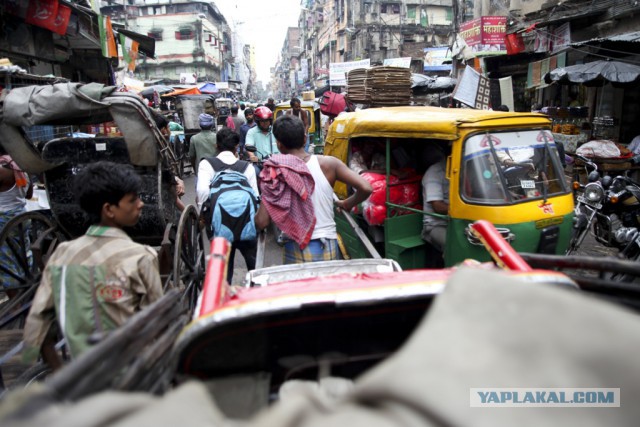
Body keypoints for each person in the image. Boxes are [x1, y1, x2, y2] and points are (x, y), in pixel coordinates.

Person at [22, 161, 163, 362]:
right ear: (109, 210)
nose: (140, 204)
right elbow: (158, 322)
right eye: (132, 200)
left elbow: (37, 323)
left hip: (80, 373)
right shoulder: (140, 257)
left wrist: (60, 374)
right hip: (132, 373)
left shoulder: (63, 253)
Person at [255, 115, 372, 264]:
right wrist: (347, 203)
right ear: (305, 139)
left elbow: (262, 221)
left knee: (300, 288)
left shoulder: (275, 171)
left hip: (294, 243)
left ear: (279, 144)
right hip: (326, 243)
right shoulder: (329, 164)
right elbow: (366, 187)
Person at [196, 128, 259, 284]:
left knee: (224, 273)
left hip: (220, 226)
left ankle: (225, 300)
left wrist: (205, 217)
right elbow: (256, 197)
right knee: (254, 270)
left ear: (216, 146)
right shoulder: (247, 167)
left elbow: (202, 192)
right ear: (236, 147)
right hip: (247, 225)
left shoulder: (206, 164)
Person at [0, 148, 33, 288]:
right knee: (23, 255)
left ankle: (16, 303)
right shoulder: (20, 168)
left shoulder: (2, 170)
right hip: (21, 216)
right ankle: (27, 292)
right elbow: (29, 194)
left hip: (4, 220)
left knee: (6, 263)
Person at [421, 146, 449, 254]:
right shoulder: (434, 173)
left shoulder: (462, 169)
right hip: (437, 224)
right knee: (453, 246)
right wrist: (464, 208)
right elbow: (437, 207)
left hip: (457, 220)